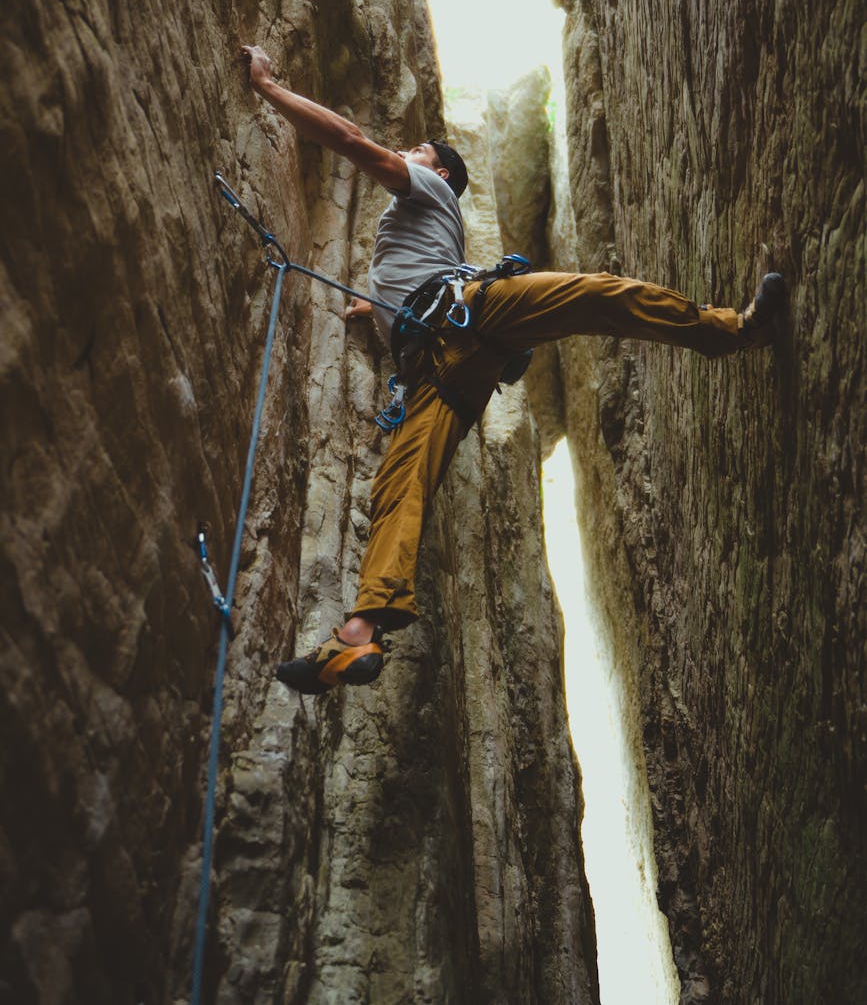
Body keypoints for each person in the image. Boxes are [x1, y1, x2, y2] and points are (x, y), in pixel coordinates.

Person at [239, 44, 786, 696]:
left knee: (596, 294)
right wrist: (372, 307)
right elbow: (404, 281)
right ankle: (356, 636)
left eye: (417, 149)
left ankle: (728, 330)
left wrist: (269, 88)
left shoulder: (426, 190)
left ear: (438, 173)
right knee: (397, 486)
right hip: (444, 367)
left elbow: (352, 141)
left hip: (472, 316)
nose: (406, 154)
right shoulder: (410, 236)